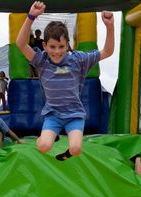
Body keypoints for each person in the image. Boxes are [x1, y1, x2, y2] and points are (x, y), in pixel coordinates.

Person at [16, 1, 114, 160]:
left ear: (68, 45)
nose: (57, 51)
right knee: (43, 146)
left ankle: (67, 153)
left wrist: (109, 26)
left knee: (76, 149)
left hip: (74, 114)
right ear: (45, 46)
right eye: (52, 47)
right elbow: (20, 43)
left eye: (61, 46)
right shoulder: (42, 61)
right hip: (53, 114)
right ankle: (47, 136)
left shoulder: (78, 60)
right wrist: (31, 16)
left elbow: (108, 51)